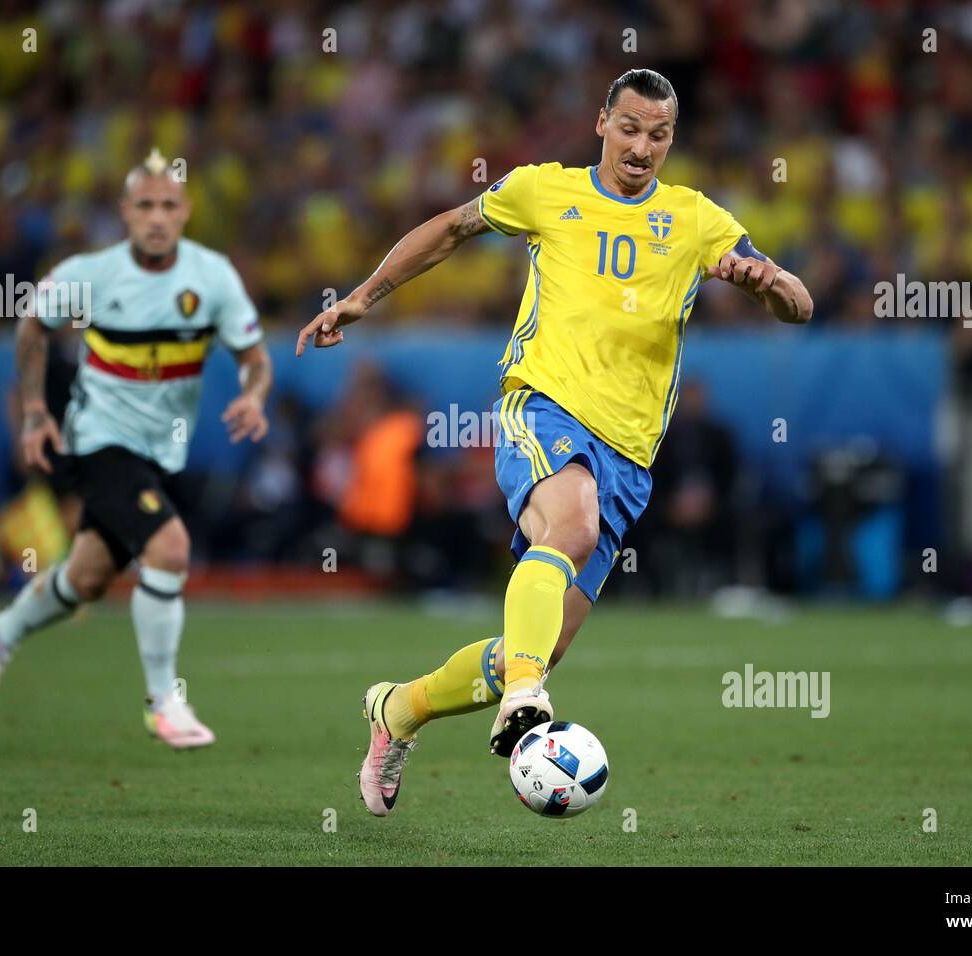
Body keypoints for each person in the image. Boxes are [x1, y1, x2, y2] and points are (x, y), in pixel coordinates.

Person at [297, 70, 812, 815]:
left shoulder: (697, 219)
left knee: (528, 647)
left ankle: (399, 710)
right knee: (569, 529)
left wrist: (766, 281)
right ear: (602, 123)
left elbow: (798, 304)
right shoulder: (544, 189)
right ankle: (528, 699)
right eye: (630, 127)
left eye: (659, 134)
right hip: (541, 406)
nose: (642, 147)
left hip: (629, 455)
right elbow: (450, 228)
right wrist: (361, 297)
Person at [0, 149, 272, 749]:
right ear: (126, 212)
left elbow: (255, 360)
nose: (157, 217)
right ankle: (163, 702)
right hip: (98, 437)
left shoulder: (213, 278)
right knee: (169, 545)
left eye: (169, 206)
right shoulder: (92, 274)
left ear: (185, 213)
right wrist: (34, 412)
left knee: (86, 578)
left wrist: (255, 396)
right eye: (145, 206)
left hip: (162, 451)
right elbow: (31, 323)